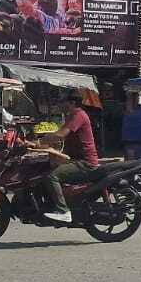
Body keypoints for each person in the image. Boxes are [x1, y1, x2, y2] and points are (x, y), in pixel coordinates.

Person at [38, 93, 102, 223]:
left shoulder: (78, 115)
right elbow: (59, 137)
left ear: (72, 103)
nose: (60, 104)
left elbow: (60, 135)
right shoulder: (71, 116)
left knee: (51, 176)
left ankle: (63, 211)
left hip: (85, 162)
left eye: (63, 102)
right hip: (76, 159)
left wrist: (39, 141)